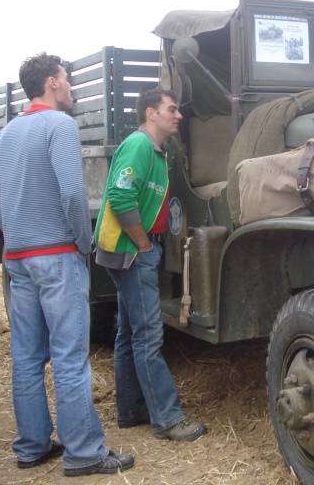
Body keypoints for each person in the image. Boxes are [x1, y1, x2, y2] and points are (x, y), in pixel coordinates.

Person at [0, 53, 134, 477]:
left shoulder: (8, 132)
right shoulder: (60, 126)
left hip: (18, 257)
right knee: (70, 358)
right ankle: (84, 453)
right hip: (55, 255)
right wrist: (82, 243)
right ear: (52, 83)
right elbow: (72, 194)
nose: (71, 89)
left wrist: (18, 229)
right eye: (67, 80)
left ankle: (32, 446)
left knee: (27, 357)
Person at [94, 88, 207, 442]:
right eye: (171, 110)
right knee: (148, 336)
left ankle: (131, 409)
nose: (178, 115)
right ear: (150, 114)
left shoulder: (156, 150)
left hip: (133, 251)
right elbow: (120, 194)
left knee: (129, 332)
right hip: (132, 253)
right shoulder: (140, 146)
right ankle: (167, 419)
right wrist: (143, 244)